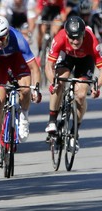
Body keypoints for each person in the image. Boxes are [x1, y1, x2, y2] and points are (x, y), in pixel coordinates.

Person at [0, 16, 41, 166]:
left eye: (1, 38)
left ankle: (24, 117)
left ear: (7, 34)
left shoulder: (18, 39)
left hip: (16, 59)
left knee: (25, 90)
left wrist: (36, 89)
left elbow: (34, 68)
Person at [45, 16, 101, 152]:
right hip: (66, 57)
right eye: (72, 38)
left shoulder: (92, 41)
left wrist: (97, 86)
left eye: (78, 38)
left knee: (81, 94)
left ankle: (74, 132)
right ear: (67, 34)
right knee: (59, 81)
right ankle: (52, 121)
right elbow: (49, 65)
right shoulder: (60, 38)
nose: (75, 41)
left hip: (85, 60)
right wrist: (53, 83)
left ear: (83, 34)